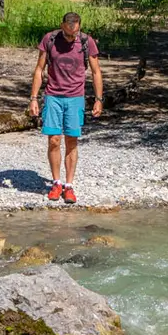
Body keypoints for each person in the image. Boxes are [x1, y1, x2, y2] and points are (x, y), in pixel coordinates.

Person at [28, 11, 104, 204]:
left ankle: (69, 186)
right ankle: (56, 182)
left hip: (75, 97)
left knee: (72, 140)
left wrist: (98, 99)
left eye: (75, 34)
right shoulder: (50, 39)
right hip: (53, 96)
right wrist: (34, 98)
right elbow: (39, 69)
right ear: (62, 26)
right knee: (53, 140)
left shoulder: (87, 42)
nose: (72, 38)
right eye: (69, 34)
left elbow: (96, 72)